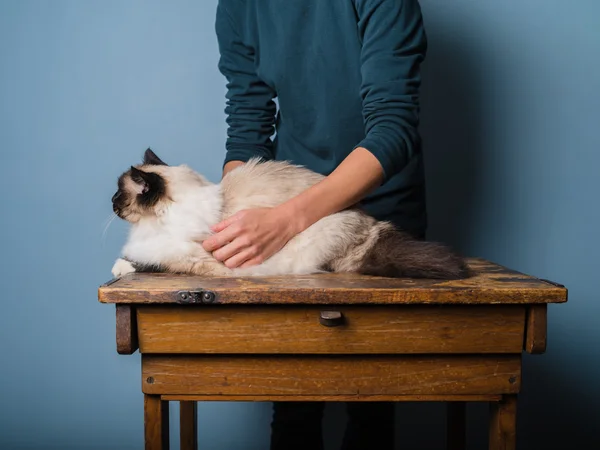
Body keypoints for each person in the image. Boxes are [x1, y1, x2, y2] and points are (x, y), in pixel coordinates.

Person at [204, 1, 428, 449]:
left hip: (377, 222)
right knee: (293, 405)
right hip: (286, 221)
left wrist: (285, 220)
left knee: (371, 409)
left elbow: (393, 127)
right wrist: (238, 221)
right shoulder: (237, 7)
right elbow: (248, 128)